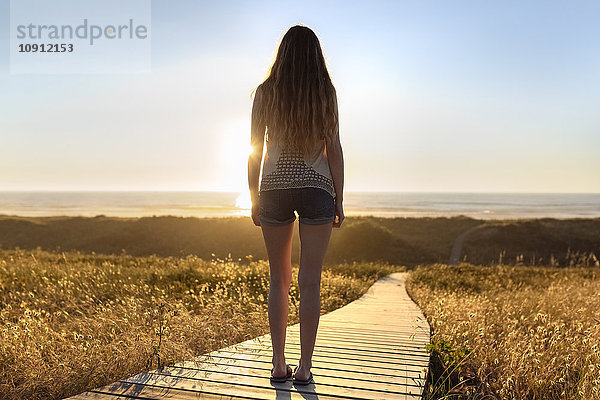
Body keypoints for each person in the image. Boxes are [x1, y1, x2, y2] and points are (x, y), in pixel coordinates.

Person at [247, 24, 345, 385]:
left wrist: (254, 197)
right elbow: (333, 149)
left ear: (282, 53)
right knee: (310, 281)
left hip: (272, 188)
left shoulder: (264, 93)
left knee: (279, 279)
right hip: (317, 188)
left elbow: (254, 150)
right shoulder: (325, 92)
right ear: (316, 55)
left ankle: (277, 363)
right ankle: (304, 368)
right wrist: (340, 199)